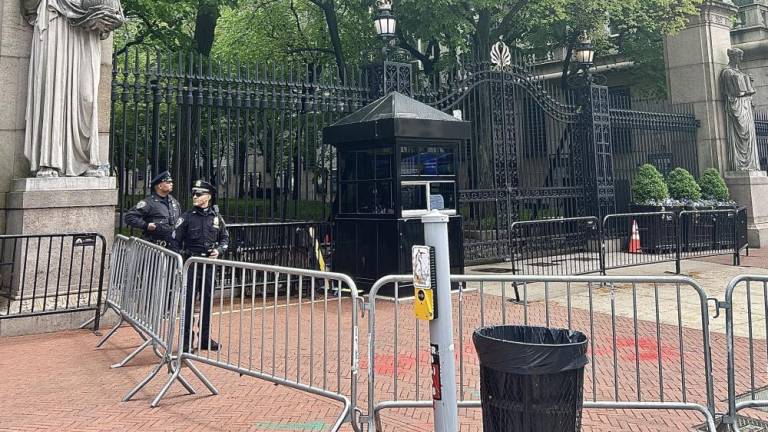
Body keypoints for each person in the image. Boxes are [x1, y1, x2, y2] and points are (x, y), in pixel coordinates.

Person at [173, 180, 229, 352]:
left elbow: (225, 238)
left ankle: (204, 339)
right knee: (188, 303)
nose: (195, 197)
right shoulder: (186, 217)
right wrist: (179, 263)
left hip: (208, 266)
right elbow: (175, 241)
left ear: (208, 197)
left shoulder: (216, 218)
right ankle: (186, 341)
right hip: (192, 265)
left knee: (206, 302)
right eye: (194, 194)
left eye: (199, 194)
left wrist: (219, 250)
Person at [721, 47, 761, 171]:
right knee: (741, 132)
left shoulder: (739, 72)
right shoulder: (727, 72)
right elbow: (730, 93)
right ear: (733, 57)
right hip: (737, 105)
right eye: (739, 56)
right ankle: (740, 165)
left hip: (745, 106)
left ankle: (751, 164)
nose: (741, 59)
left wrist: (749, 84)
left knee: (749, 134)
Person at [125, 171, 181, 250]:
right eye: (168, 182)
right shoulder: (149, 203)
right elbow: (130, 217)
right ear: (160, 186)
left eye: (171, 182)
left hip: (171, 246)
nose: (171, 184)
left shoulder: (174, 202)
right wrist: (146, 225)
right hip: (153, 246)